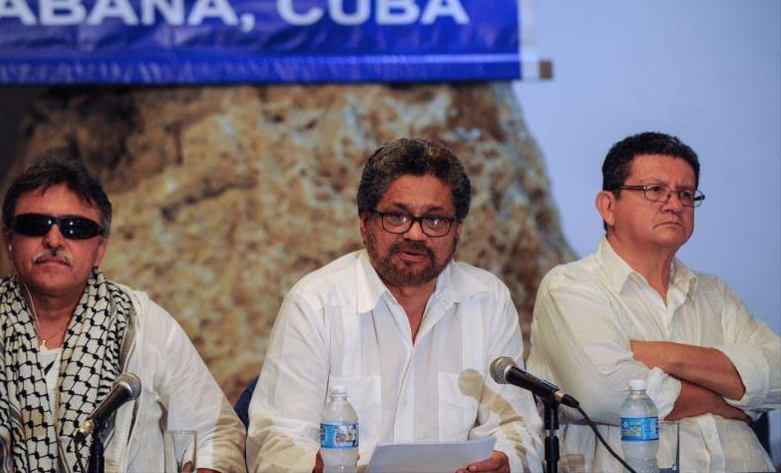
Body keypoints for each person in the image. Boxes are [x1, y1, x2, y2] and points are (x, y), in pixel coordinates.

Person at [0, 158, 246, 473]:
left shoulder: (144, 324)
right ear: (8, 239)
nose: (54, 239)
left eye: (75, 228)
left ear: (100, 248)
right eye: (36, 224)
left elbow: (215, 431)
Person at [247, 138, 543, 473]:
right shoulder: (315, 304)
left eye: (434, 220)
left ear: (458, 231)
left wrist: (506, 460)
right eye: (398, 217)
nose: (415, 235)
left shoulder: (488, 300)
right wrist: (309, 466)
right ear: (364, 222)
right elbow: (276, 438)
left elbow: (516, 427)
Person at [527, 132, 780, 472]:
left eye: (685, 194)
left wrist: (662, 354)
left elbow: (776, 374)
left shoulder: (714, 293)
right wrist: (722, 401)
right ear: (608, 206)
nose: (674, 204)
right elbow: (606, 393)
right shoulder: (571, 286)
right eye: (654, 190)